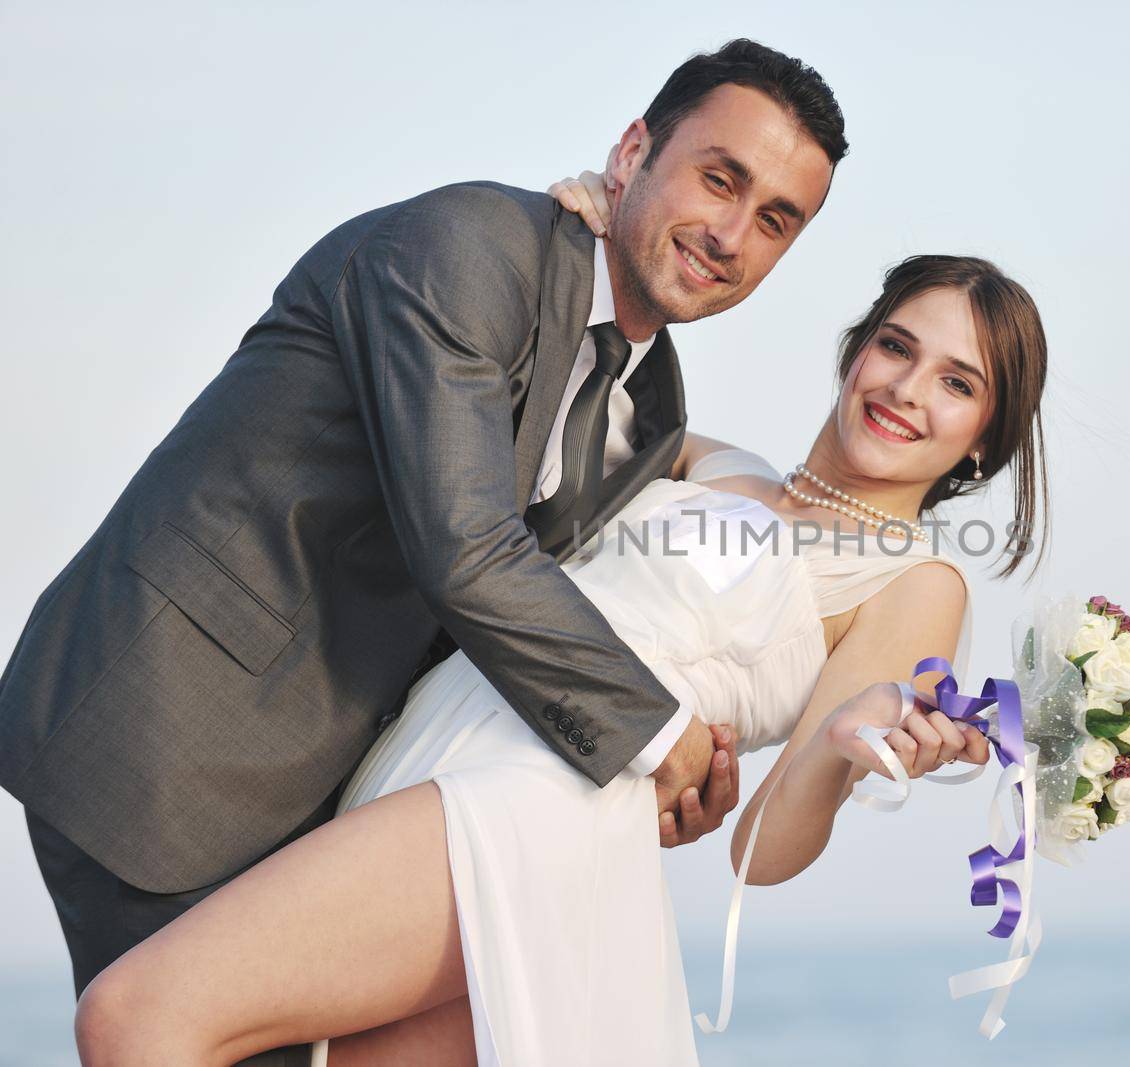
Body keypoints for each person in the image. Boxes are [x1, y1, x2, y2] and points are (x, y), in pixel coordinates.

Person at [0, 38, 845, 1067]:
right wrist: (648, 734)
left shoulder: (653, 406)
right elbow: (468, 550)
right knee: (162, 1026)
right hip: (171, 723)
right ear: (632, 153)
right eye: (720, 178)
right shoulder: (471, 245)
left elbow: (552, 591)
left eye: (774, 221)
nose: (730, 233)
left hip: (334, 785)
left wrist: (654, 770)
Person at [70, 176, 1053, 1061]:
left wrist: (840, 749)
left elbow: (763, 846)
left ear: (985, 440)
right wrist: (578, 238)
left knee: (139, 1016)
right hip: (423, 749)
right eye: (897, 346)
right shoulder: (711, 462)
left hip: (534, 801)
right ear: (857, 347)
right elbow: (561, 381)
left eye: (957, 384)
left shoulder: (918, 580)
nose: (906, 389)